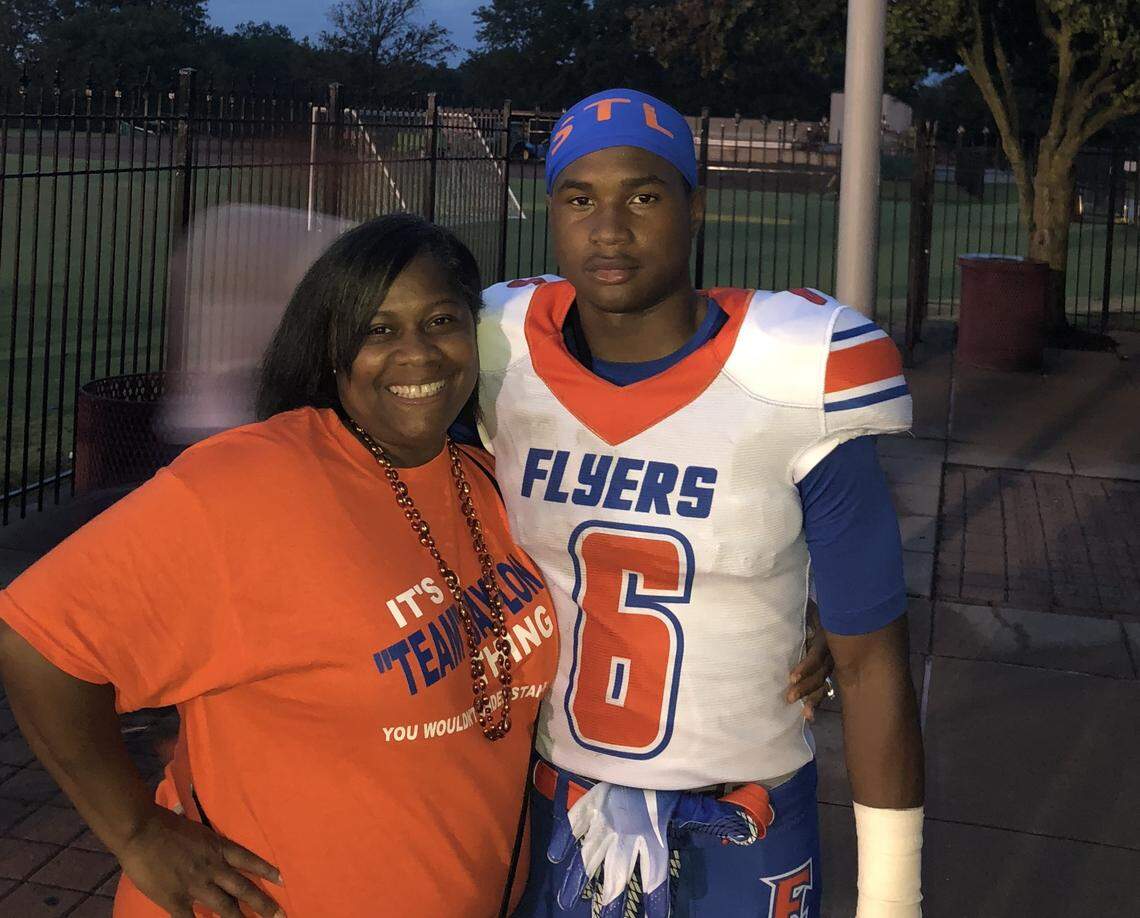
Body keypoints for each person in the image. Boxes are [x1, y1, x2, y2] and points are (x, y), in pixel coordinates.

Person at [0, 214, 561, 918]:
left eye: (440, 320)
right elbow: (36, 641)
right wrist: (138, 832)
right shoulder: (254, 482)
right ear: (331, 348)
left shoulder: (483, 478)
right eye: (378, 330)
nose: (417, 354)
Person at [473, 90, 925, 917]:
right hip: (560, 805)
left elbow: (870, 662)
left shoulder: (790, 373)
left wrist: (894, 897)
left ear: (694, 207)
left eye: (643, 196)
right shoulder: (500, 352)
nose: (608, 229)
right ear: (551, 212)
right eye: (580, 198)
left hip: (744, 819)